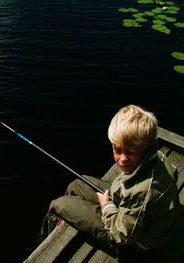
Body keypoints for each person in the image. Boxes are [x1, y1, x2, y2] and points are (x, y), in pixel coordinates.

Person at [39, 105, 179, 257]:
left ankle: (43, 246)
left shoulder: (140, 191)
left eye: (130, 152)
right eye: (118, 150)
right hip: (135, 213)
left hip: (135, 243)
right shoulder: (158, 156)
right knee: (78, 184)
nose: (123, 159)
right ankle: (65, 222)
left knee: (57, 205)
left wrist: (107, 206)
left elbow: (122, 236)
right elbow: (175, 173)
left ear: (146, 147)